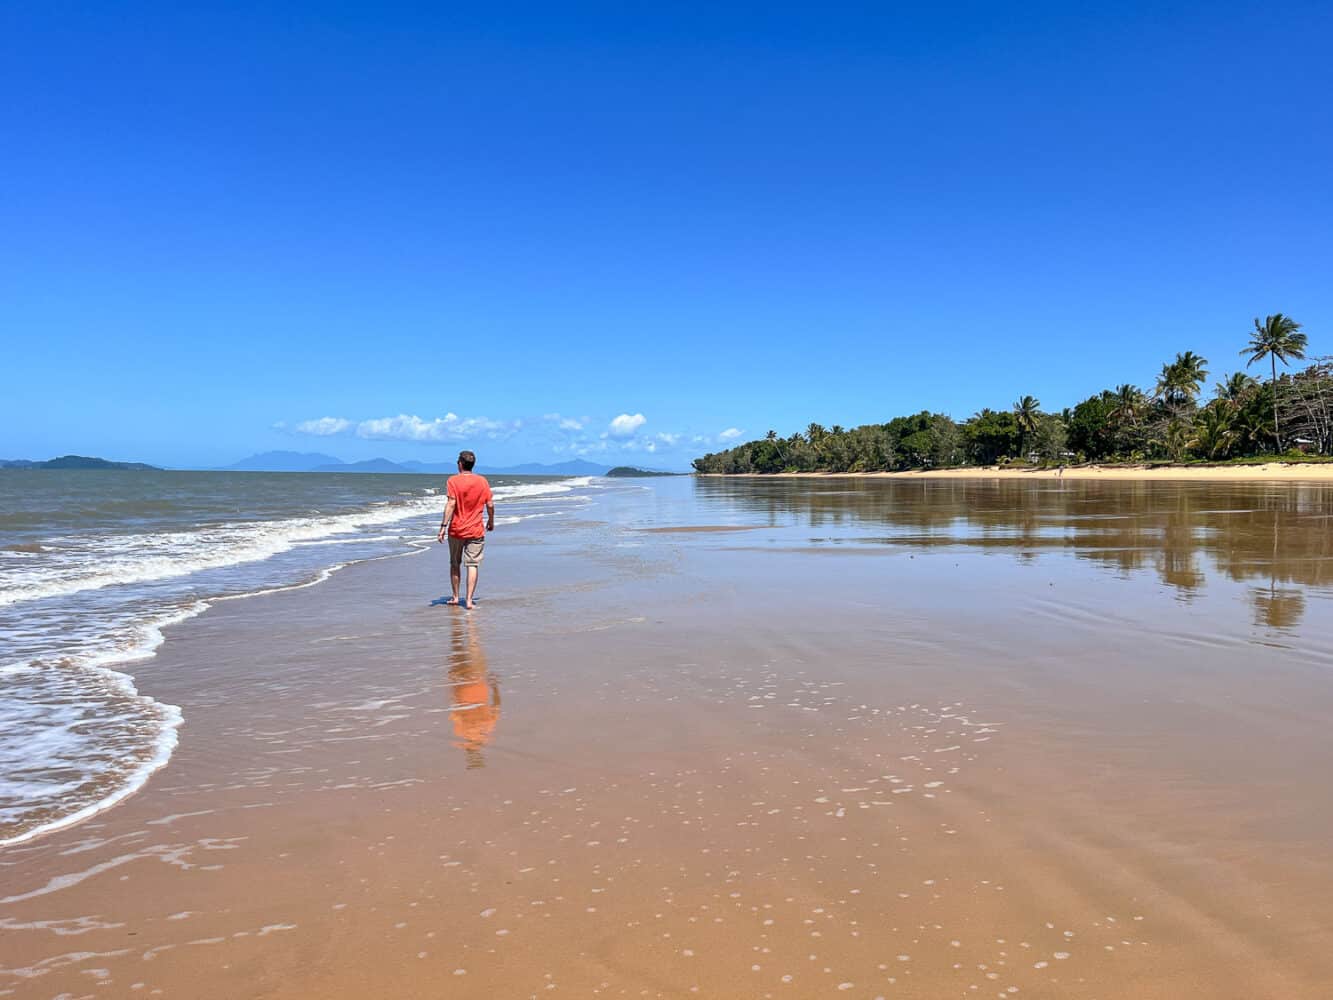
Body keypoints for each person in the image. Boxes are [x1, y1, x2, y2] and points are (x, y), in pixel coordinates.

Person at [437, 450, 494, 609]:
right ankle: (469, 601)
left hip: (456, 530)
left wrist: (442, 527)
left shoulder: (453, 481)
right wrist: (491, 520)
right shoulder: (482, 481)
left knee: (455, 563)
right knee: (472, 565)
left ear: (460, 464)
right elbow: (490, 504)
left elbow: (451, 504)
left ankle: (455, 597)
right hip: (476, 530)